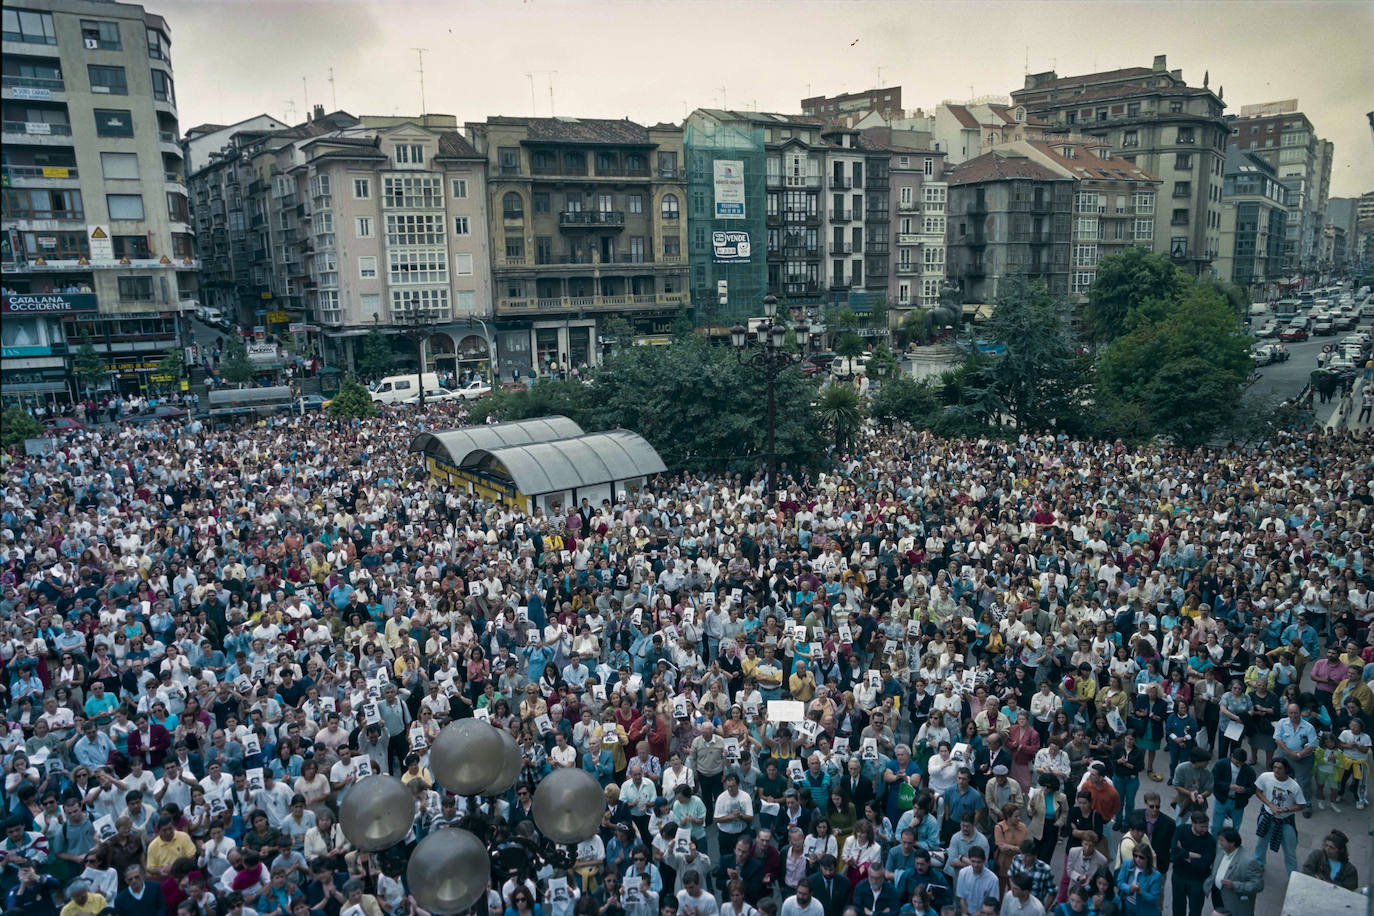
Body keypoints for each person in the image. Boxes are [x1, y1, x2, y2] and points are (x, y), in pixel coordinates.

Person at [1252, 759, 1304, 873]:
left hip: (1285, 821)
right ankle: (1258, 864)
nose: (1276, 770)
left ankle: (1292, 875)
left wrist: (1286, 809)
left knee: (1290, 850)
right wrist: (1270, 805)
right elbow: (1258, 791)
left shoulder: (1294, 786)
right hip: (1267, 816)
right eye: (1274, 767)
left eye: (1279, 768)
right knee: (1261, 843)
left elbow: (1301, 805)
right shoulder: (1265, 777)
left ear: (1286, 770)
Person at [1204, 828, 1263, 916]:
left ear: (1232, 843)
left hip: (1234, 901)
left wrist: (1235, 885)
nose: (1219, 842)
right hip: (1217, 894)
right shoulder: (1220, 850)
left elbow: (1258, 885)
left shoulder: (1248, 862)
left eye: (1222, 840)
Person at [1114, 844, 1163, 916]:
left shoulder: (1155, 876)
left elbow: (1154, 898)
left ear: (1148, 858)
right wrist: (1129, 888)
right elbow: (1120, 882)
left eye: (1141, 857)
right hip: (1128, 906)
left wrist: (1141, 892)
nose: (1137, 859)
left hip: (1145, 910)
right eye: (1135, 855)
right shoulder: (1127, 864)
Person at [953, 848, 998, 916]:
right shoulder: (963, 873)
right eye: (973, 861)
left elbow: (991, 904)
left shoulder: (993, 879)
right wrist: (965, 913)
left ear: (984, 861)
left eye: (978, 862)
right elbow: (962, 898)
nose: (976, 865)